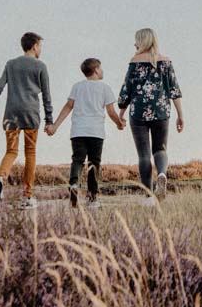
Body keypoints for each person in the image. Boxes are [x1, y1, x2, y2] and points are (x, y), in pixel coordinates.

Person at [0, 32, 55, 209]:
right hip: (31, 114)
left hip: (11, 114)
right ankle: (27, 196)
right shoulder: (40, 66)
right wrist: (49, 120)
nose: (41, 49)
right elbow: (46, 95)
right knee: (30, 152)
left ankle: (0, 178)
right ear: (34, 46)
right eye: (40, 46)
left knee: (11, 151)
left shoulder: (11, 64)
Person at [115, 28, 183, 201]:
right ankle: (161, 173)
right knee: (160, 148)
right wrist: (180, 115)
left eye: (136, 40)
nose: (134, 44)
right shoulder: (166, 62)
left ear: (142, 41)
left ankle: (148, 196)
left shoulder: (134, 62)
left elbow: (126, 91)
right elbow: (174, 90)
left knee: (144, 155)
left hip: (138, 113)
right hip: (161, 111)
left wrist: (121, 113)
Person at [47, 57, 124, 208]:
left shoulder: (77, 87)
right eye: (100, 68)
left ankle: (74, 184)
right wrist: (119, 124)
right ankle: (92, 197)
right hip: (96, 132)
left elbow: (68, 107)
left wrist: (55, 125)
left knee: (77, 160)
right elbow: (111, 112)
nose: (102, 71)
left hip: (78, 131)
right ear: (95, 70)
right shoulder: (105, 88)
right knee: (94, 163)